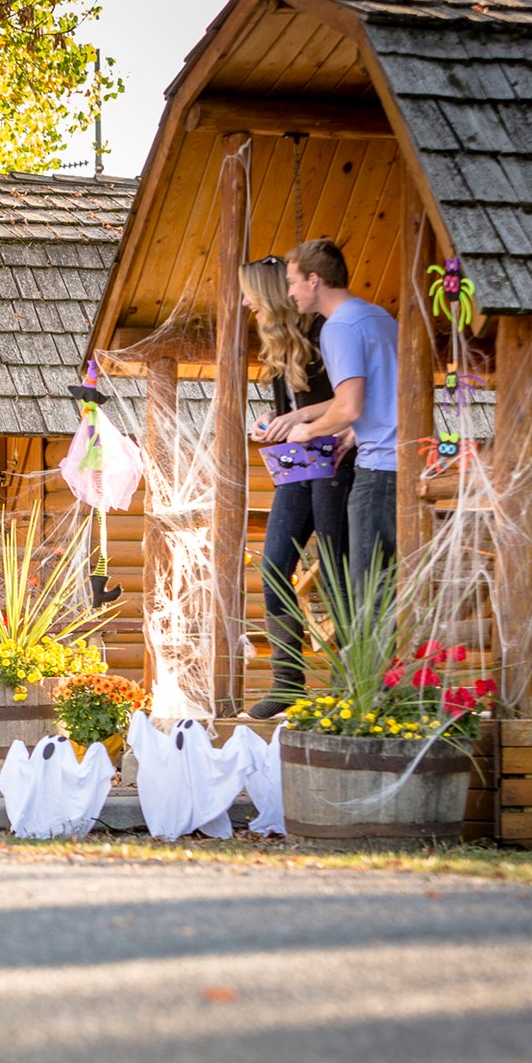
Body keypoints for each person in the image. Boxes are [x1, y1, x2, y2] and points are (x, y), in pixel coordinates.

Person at [239, 255, 353, 718]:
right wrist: (271, 419)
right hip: (298, 465)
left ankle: (352, 681)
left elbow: (348, 400)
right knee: (274, 566)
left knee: (337, 568)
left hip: (337, 458)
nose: (245, 303)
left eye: (250, 293)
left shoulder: (324, 334)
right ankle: (287, 683)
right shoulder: (277, 346)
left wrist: (299, 417)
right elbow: (290, 409)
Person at [279, 237, 401, 605]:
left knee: (368, 595)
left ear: (314, 280)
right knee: (393, 587)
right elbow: (386, 392)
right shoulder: (379, 317)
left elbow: (349, 407)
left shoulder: (339, 327)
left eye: (292, 282)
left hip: (379, 469)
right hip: (407, 463)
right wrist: (351, 434)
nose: (290, 292)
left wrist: (307, 430)